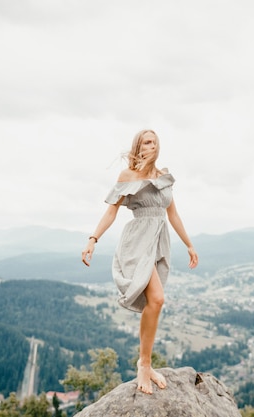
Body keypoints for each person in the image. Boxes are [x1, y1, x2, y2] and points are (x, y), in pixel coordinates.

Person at [81, 129, 199, 394]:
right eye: (147, 141)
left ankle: (146, 362)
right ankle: (143, 366)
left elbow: (174, 215)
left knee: (154, 303)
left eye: (155, 141)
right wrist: (93, 239)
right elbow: (111, 210)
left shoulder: (163, 177)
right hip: (137, 242)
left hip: (158, 242)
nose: (152, 145)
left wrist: (189, 245)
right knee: (157, 299)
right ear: (138, 146)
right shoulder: (128, 177)